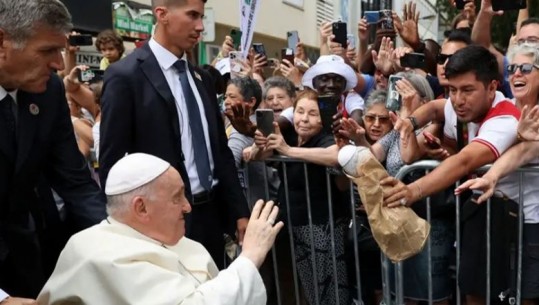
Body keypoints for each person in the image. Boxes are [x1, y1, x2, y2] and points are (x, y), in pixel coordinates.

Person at [99, 0, 249, 269]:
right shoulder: (125, 76)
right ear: (162, 14)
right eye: (192, 16)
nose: (200, 26)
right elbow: (112, 162)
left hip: (210, 217)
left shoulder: (201, 79)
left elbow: (220, 152)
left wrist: (239, 212)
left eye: (202, 17)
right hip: (158, 224)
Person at [38, 153, 283, 305]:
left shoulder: (184, 243)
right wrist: (249, 257)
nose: (188, 207)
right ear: (141, 208)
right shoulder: (98, 255)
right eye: (177, 197)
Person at [383, 45, 520, 305]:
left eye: (467, 90)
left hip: (514, 220)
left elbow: (464, 161)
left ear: (492, 87)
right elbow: (436, 107)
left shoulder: (505, 119)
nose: (457, 99)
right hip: (483, 214)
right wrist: (410, 122)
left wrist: (414, 190)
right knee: (471, 290)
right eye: (452, 90)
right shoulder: (456, 106)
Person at [0, 0, 106, 302]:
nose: (60, 64)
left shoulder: (49, 92)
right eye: (48, 50)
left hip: (28, 257)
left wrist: (121, 242)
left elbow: (74, 181)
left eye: (61, 50)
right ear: (2, 41)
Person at [249, 89, 351, 305]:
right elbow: (257, 156)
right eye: (300, 111)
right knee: (297, 292)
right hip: (291, 227)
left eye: (312, 114)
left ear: (322, 118)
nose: (304, 119)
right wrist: (261, 144)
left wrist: (288, 151)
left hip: (322, 228)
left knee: (326, 295)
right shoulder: (291, 136)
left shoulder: (327, 138)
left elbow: (335, 156)